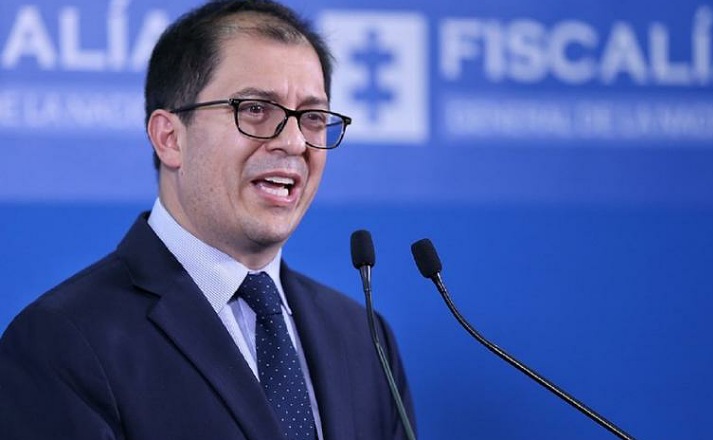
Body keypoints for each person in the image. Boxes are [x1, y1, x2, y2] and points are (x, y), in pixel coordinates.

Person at [0, 1, 415, 439]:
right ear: (169, 138)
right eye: (255, 109)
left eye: (312, 117)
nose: (295, 142)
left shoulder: (364, 337)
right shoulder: (62, 342)